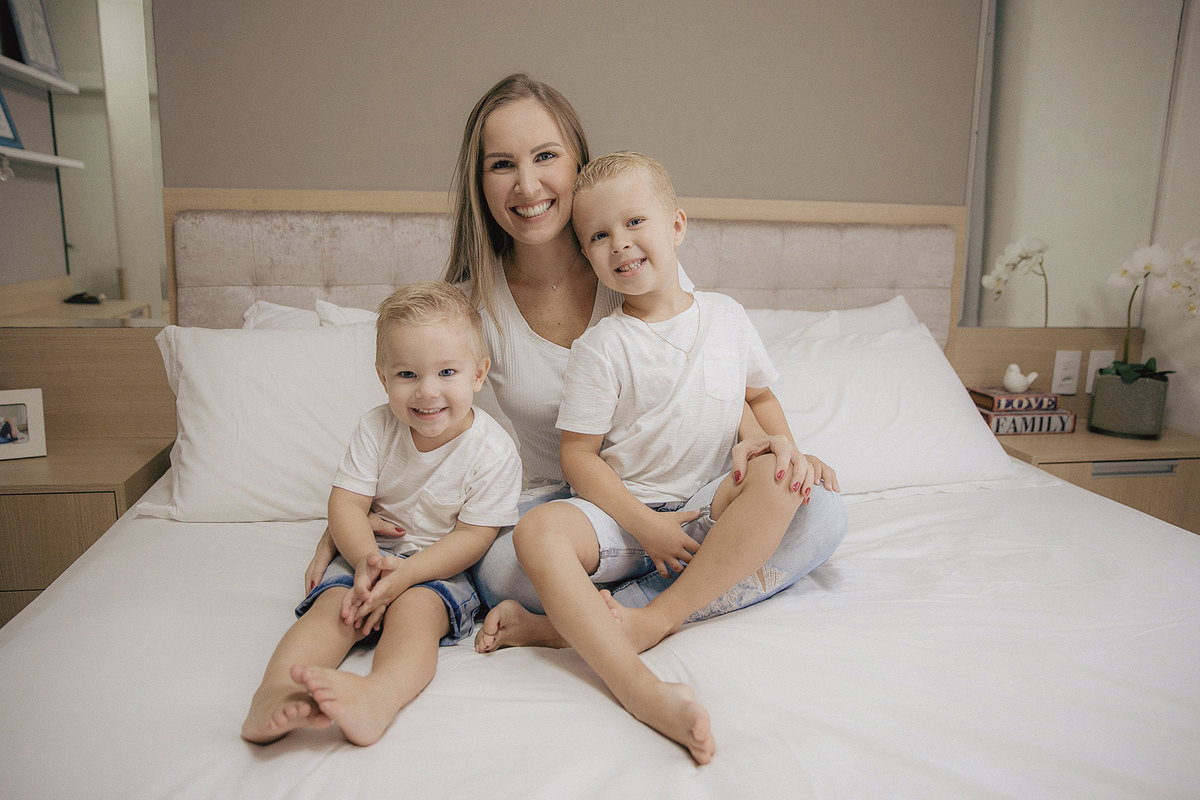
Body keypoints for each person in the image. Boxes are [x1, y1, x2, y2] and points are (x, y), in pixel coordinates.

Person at [304, 73, 844, 664]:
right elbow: (423, 418)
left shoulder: (638, 266)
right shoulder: (469, 309)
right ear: (480, 181)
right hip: (577, 512)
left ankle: (612, 619)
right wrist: (349, 518)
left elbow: (711, 380)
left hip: (694, 497)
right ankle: (669, 593)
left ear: (579, 167)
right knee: (506, 569)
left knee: (820, 512)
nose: (527, 183)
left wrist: (774, 447)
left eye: (545, 157)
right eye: (502, 164)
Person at [507, 151, 830, 763]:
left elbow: (758, 395)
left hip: (713, 499)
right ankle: (638, 688)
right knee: (538, 531)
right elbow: (579, 457)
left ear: (676, 226)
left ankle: (654, 619)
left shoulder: (727, 319)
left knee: (788, 482)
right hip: (633, 516)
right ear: (587, 254)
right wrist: (643, 523)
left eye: (634, 223)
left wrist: (791, 449)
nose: (619, 244)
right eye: (598, 236)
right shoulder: (601, 347)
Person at [243, 282, 522, 746]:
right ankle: (275, 692)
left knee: (417, 615)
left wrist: (408, 575)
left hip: (437, 565)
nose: (427, 391)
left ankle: (377, 697)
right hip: (373, 553)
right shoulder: (376, 428)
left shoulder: (493, 451)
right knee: (334, 610)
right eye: (408, 374)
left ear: (479, 373)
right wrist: (366, 561)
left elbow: (474, 536)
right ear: (383, 377)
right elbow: (346, 503)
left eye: (447, 371)